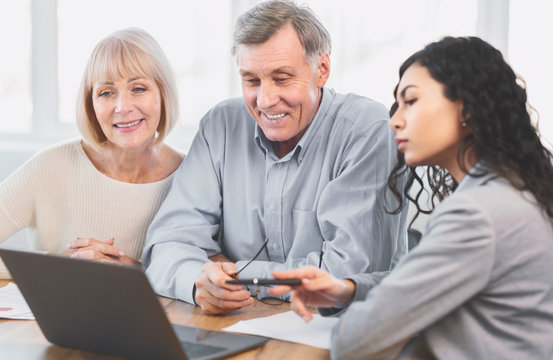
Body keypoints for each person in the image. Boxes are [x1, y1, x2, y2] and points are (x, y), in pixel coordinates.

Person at [270, 36, 553, 359]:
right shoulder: (511, 190)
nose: (394, 120)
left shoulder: (478, 213)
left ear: (468, 108)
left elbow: (357, 339)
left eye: (411, 101)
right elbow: (420, 284)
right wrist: (348, 290)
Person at [142, 0, 407, 315]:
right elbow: (164, 247)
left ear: (321, 69)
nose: (265, 100)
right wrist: (199, 280)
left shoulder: (367, 130)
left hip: (342, 329)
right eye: (251, 80)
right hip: (237, 323)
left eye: (281, 79)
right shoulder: (221, 125)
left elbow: (346, 275)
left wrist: (236, 275)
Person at [0, 28, 183, 278]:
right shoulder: (50, 166)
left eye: (138, 89)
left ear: (164, 93)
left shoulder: (191, 177)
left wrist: (134, 271)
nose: (123, 107)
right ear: (91, 104)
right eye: (106, 93)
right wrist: (56, 266)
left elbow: (207, 270)